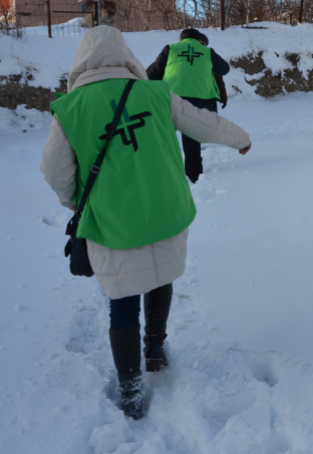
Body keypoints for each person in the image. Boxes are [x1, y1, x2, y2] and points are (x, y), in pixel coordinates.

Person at [40, 26, 251, 420]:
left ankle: (131, 390)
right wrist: (241, 138)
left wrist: (76, 202)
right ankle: (154, 350)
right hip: (164, 211)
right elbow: (204, 122)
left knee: (122, 304)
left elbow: (54, 172)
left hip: (113, 220)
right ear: (125, 56)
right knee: (160, 276)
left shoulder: (70, 109)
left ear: (81, 63)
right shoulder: (155, 94)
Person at [147, 28, 230, 183]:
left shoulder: (170, 49)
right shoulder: (207, 52)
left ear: (181, 39)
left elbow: (152, 75)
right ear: (199, 40)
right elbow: (224, 69)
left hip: (171, 99)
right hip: (200, 102)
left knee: (163, 135)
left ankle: (159, 172)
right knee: (191, 140)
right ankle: (194, 176)